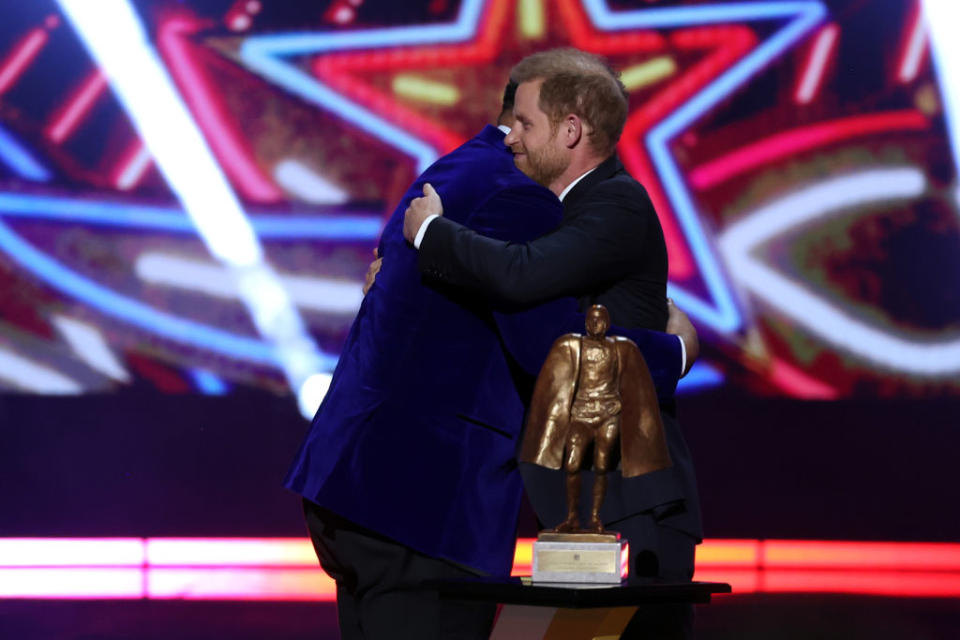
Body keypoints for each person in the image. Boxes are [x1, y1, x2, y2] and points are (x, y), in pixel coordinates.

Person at [287, 80, 694, 640]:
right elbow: (550, 351)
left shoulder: (452, 172)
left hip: (353, 486)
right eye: (521, 126)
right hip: (421, 503)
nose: (517, 141)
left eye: (528, 128)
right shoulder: (517, 194)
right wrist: (675, 351)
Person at [404, 49, 703, 592]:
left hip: (628, 500)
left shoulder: (618, 203)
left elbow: (521, 276)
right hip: (582, 500)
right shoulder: (561, 210)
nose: (509, 137)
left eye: (524, 123)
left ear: (570, 131)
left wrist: (431, 235)